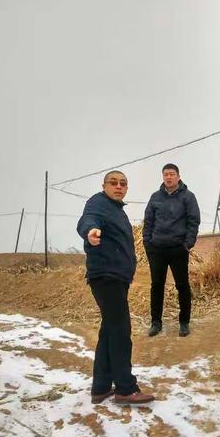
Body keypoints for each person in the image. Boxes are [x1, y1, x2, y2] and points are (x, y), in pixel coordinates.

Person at [77, 170, 155, 405]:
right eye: (114, 183)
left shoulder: (116, 209)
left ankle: (100, 387)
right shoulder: (98, 203)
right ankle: (125, 388)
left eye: (123, 183)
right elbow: (87, 220)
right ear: (104, 185)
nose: (119, 186)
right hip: (106, 275)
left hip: (116, 277)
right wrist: (90, 232)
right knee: (121, 331)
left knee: (109, 330)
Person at [143, 163, 200, 337]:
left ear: (178, 176)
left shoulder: (188, 197)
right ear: (163, 177)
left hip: (178, 249)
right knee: (156, 285)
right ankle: (156, 322)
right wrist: (148, 243)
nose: (168, 177)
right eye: (166, 174)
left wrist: (187, 244)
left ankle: (184, 322)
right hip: (157, 249)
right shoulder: (155, 197)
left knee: (182, 285)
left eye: (172, 174)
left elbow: (193, 221)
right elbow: (148, 221)